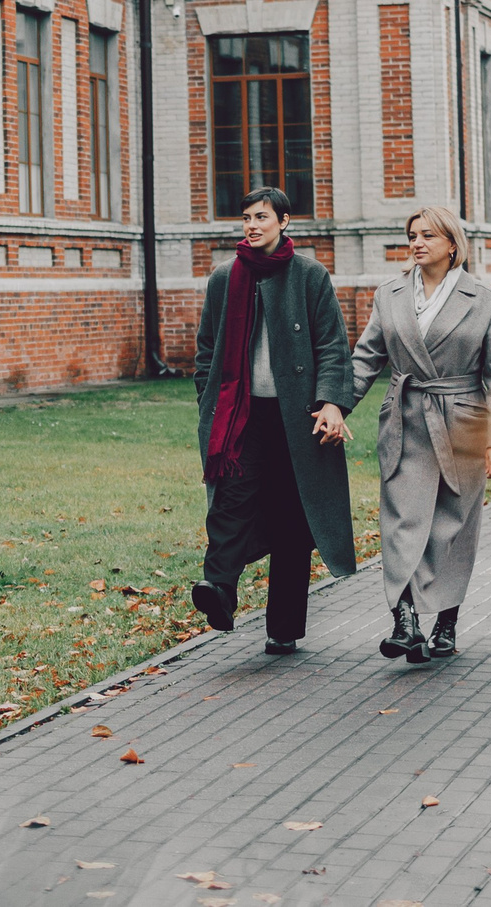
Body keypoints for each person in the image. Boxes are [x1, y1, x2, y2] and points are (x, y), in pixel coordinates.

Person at [189, 185, 357, 654]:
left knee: (292, 519)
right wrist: (210, 400)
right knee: (230, 500)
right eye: (246, 218)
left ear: (284, 222)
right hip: (241, 416)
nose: (252, 225)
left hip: (295, 417)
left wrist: (330, 402)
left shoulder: (309, 276)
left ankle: (283, 627)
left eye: (261, 216)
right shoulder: (225, 278)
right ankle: (219, 590)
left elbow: (332, 346)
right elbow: (207, 350)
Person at [348, 204, 491, 665]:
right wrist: (334, 404)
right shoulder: (391, 295)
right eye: (412, 235)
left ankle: (445, 623)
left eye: (427, 235)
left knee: (451, 529)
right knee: (402, 523)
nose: (417, 243)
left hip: (462, 424)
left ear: (452, 244)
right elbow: (365, 360)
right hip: (404, 421)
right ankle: (405, 623)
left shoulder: (483, 300)